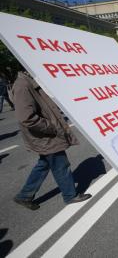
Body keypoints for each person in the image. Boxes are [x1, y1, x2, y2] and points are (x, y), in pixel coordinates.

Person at [11, 70, 91, 210]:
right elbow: (26, 118)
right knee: (61, 165)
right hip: (45, 136)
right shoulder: (23, 85)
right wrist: (52, 127)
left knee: (44, 164)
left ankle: (24, 195)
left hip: (45, 135)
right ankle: (70, 196)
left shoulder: (29, 81)